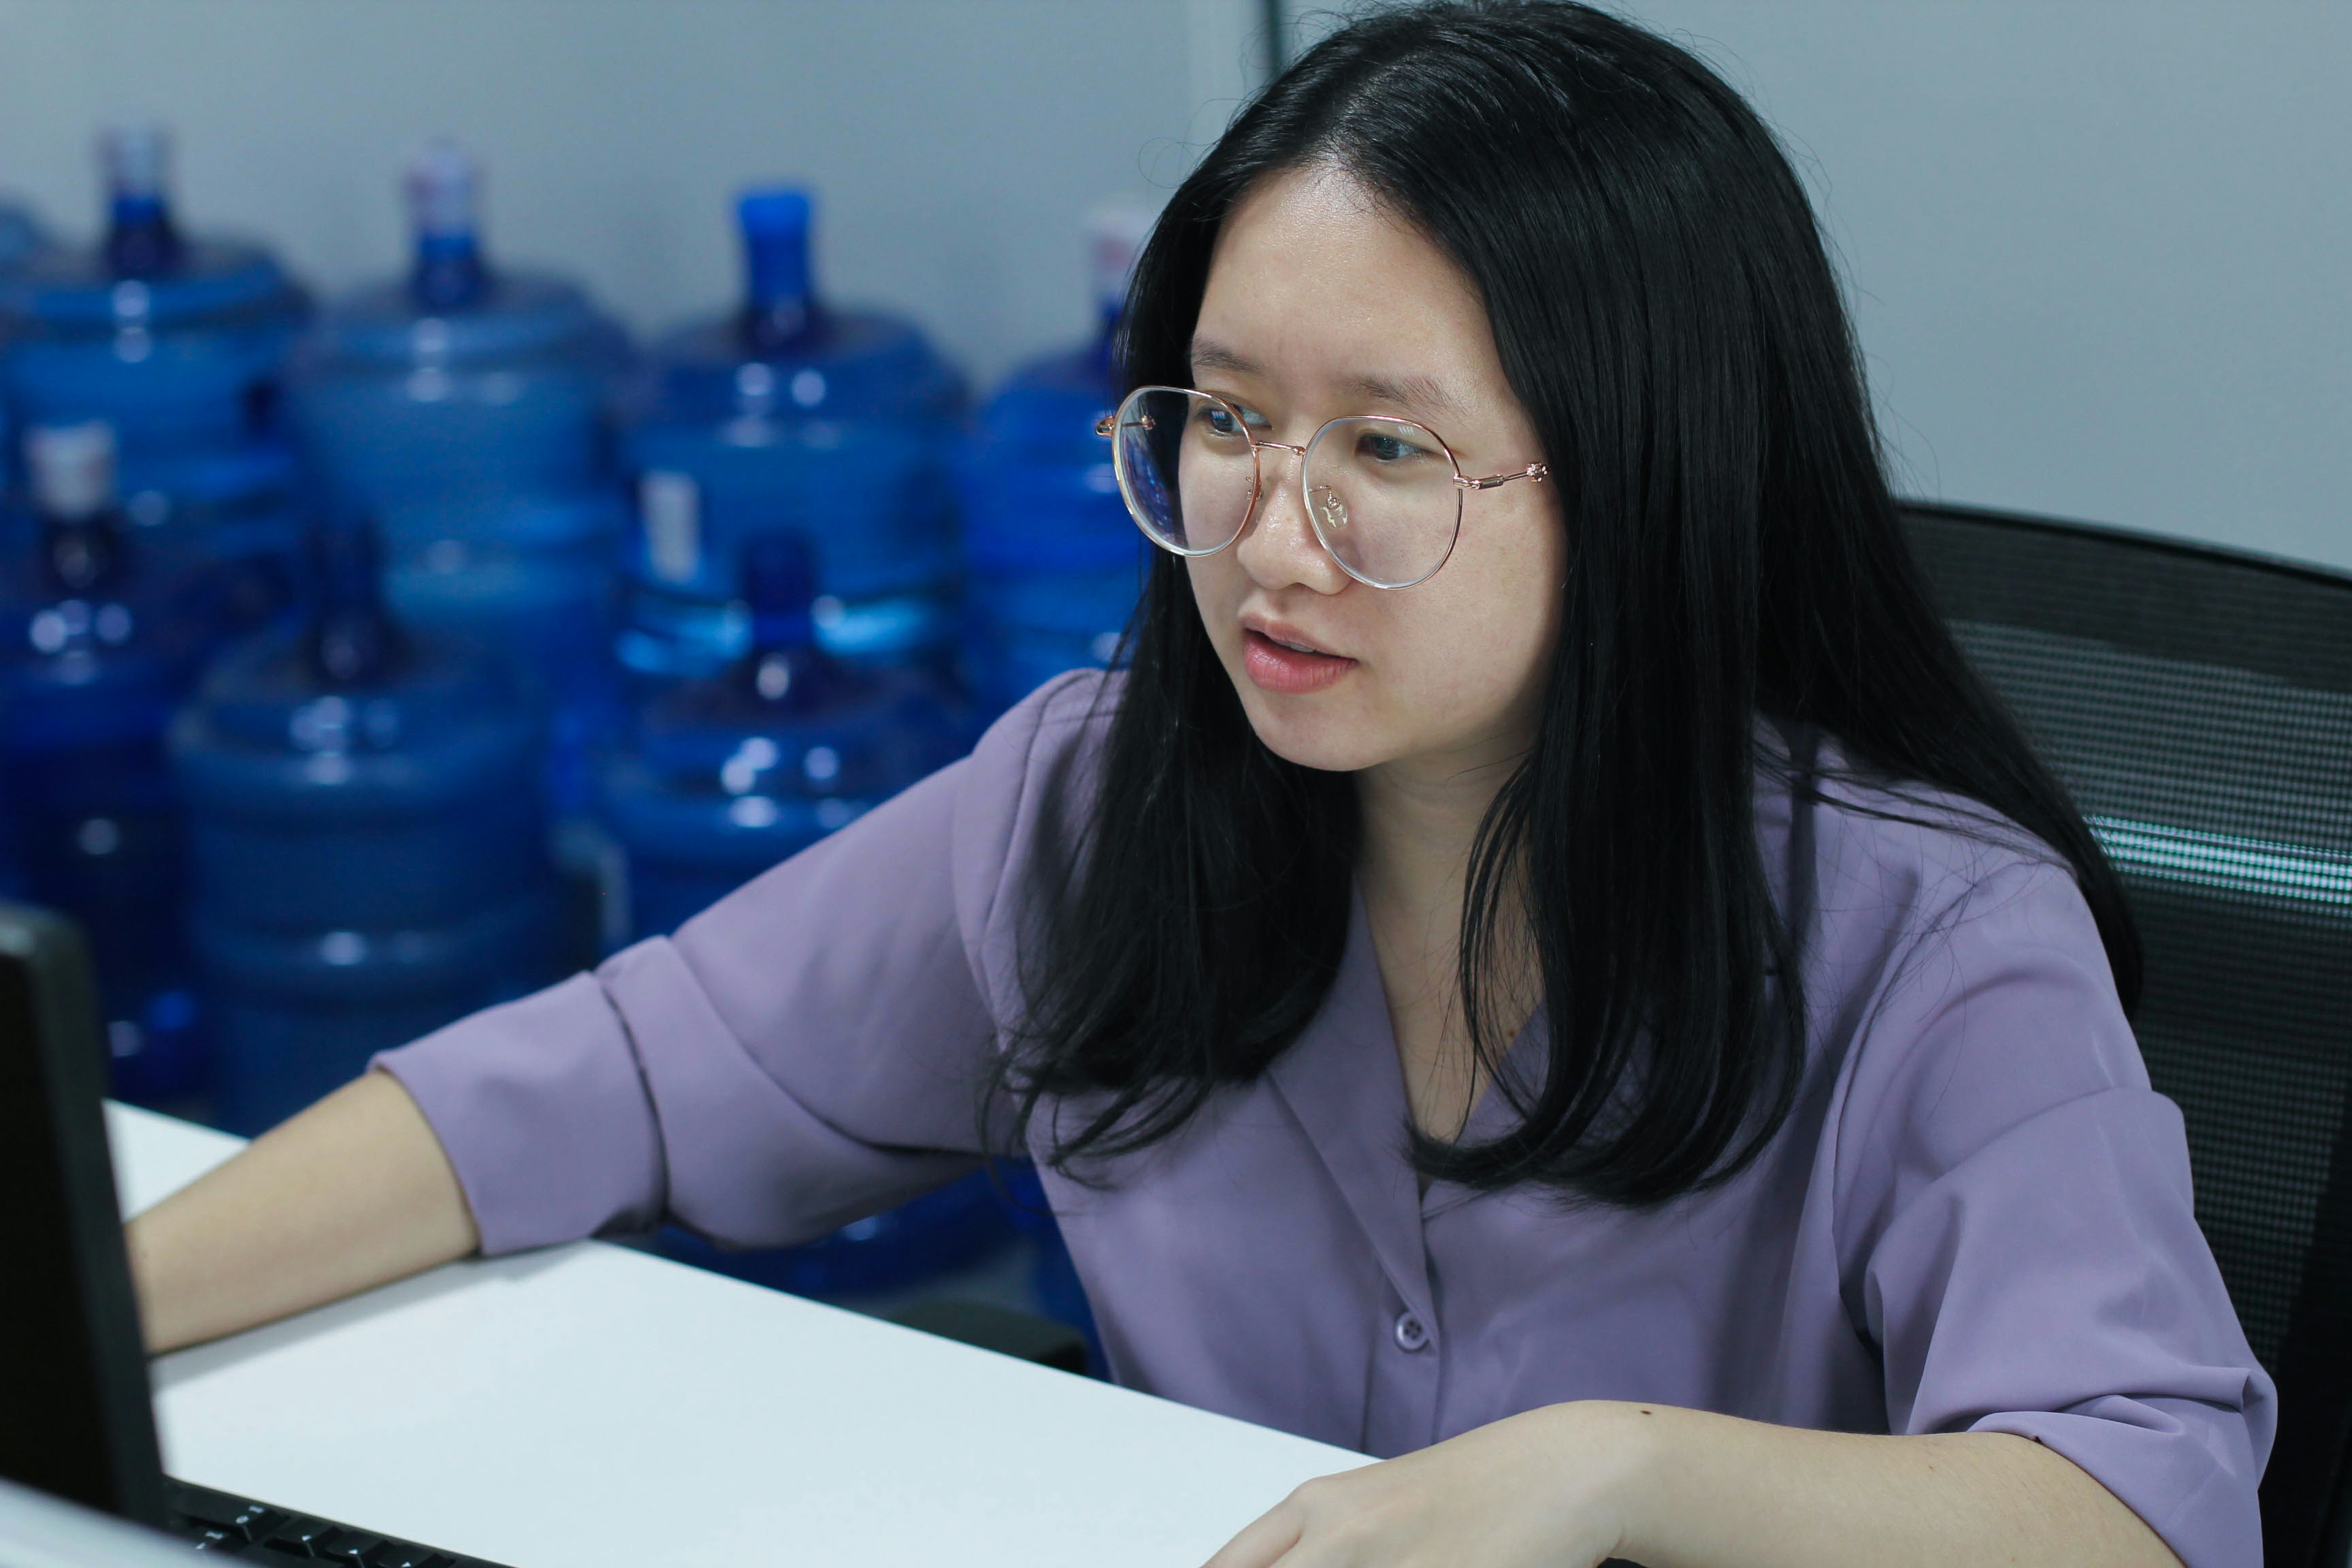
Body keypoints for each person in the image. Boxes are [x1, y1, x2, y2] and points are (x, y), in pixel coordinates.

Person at [127, 4, 2269, 1564]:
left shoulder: (1935, 943)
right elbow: (589, 1086)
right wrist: (79, 1314)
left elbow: (2140, 1511)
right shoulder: (1095, 807)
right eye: (1228, 418)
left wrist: (1622, 1467)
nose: (1269, 533)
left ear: (1648, 489)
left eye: (1390, 450)